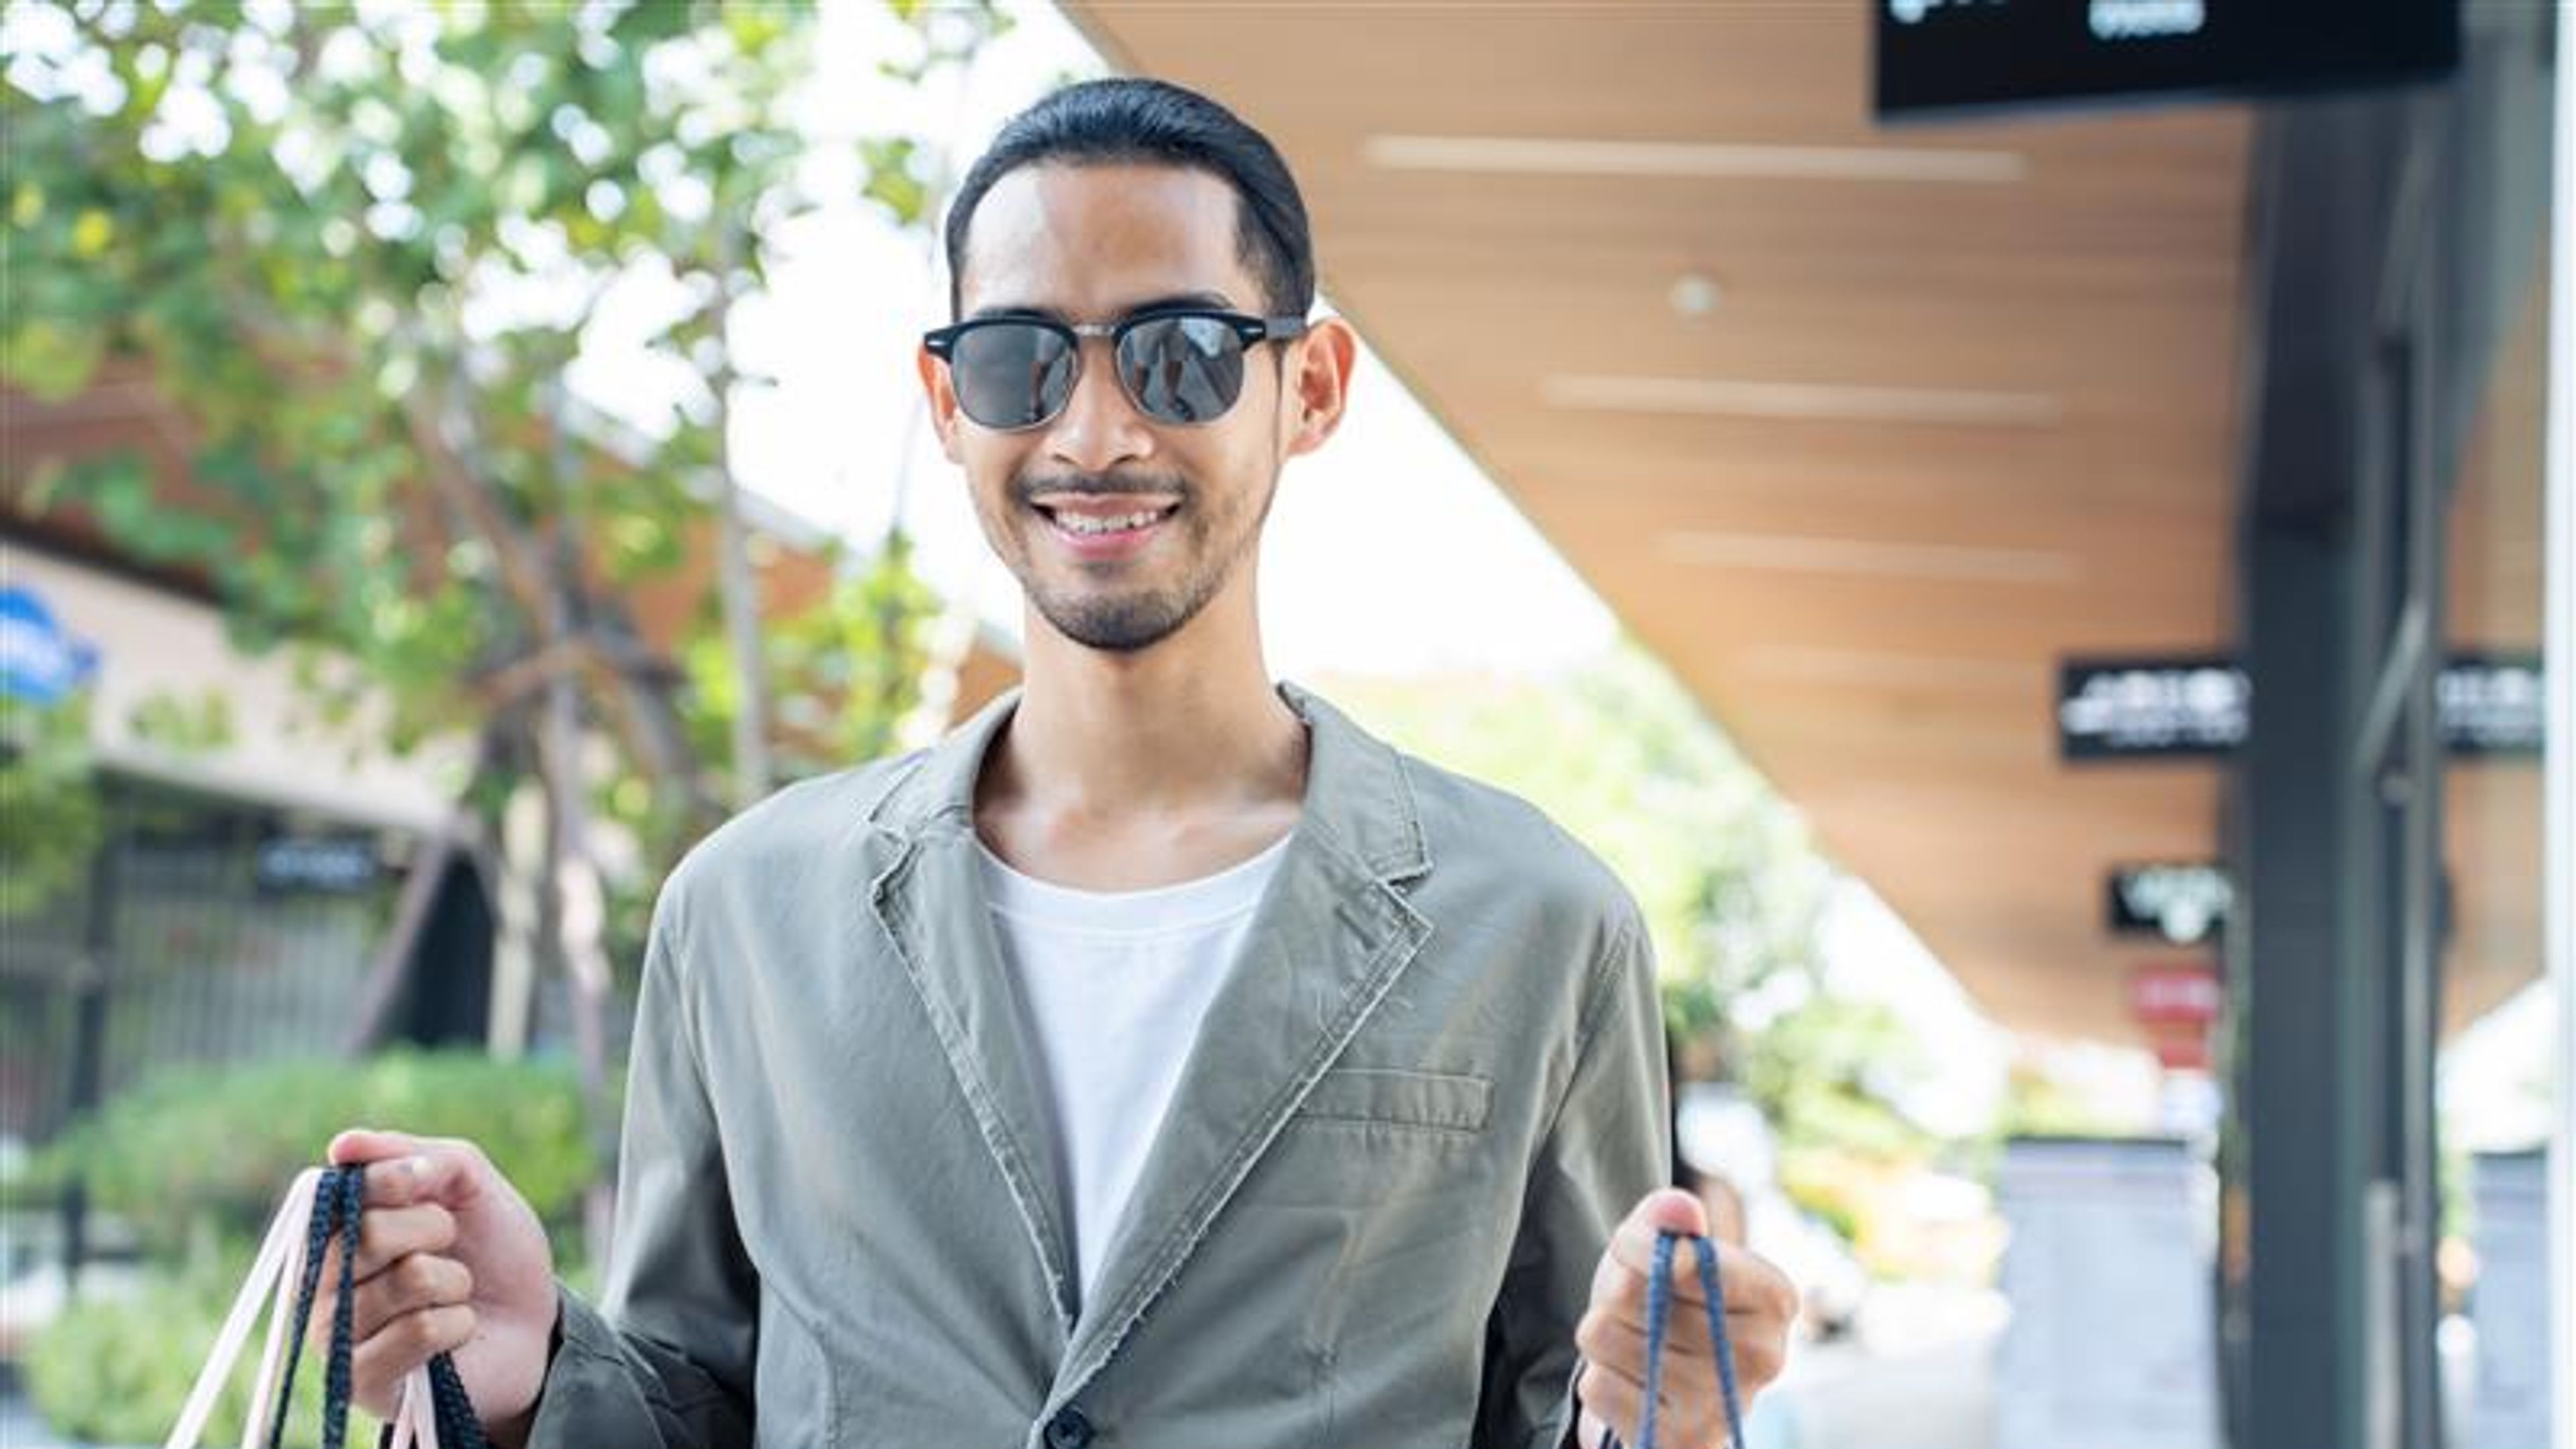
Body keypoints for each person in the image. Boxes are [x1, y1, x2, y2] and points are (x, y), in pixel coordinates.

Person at [319, 77, 1796, 1449]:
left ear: (1315, 387)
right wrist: (526, 1372)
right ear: (950, 399)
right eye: (1025, 360)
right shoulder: (745, 914)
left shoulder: (1534, 920)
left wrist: (1668, 1418)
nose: (1097, 432)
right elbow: (699, 1399)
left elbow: (1567, 1413)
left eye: (1183, 355)